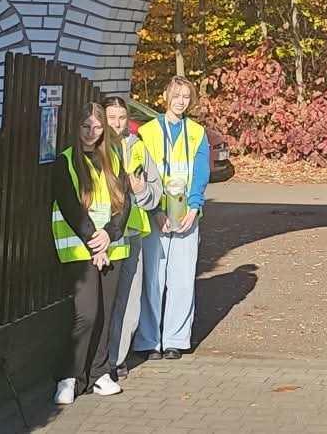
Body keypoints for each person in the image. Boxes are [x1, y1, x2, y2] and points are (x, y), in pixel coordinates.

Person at [52, 102, 132, 404]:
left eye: (97, 127)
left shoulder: (113, 157)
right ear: (77, 127)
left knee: (106, 314)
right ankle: (69, 376)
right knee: (86, 314)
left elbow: (124, 203)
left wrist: (109, 234)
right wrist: (93, 241)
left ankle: (99, 373)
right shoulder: (66, 161)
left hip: (111, 247)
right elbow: (70, 206)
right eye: (86, 126)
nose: (91, 132)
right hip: (79, 248)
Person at [132, 76, 210, 360]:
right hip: (156, 214)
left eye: (186, 97)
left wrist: (194, 207)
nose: (181, 101)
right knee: (152, 278)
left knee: (182, 279)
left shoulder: (197, 132)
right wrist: (154, 211)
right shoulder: (147, 131)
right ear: (165, 96)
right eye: (176, 96)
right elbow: (140, 173)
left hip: (186, 215)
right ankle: (149, 340)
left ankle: (176, 339)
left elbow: (200, 173)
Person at [104, 96, 163, 379]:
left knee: (129, 300)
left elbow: (155, 191)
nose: (117, 124)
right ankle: (100, 358)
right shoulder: (96, 148)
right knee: (106, 299)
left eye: (121, 118)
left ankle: (116, 359)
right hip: (105, 234)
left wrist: (140, 190)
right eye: (111, 118)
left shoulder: (138, 147)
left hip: (132, 232)